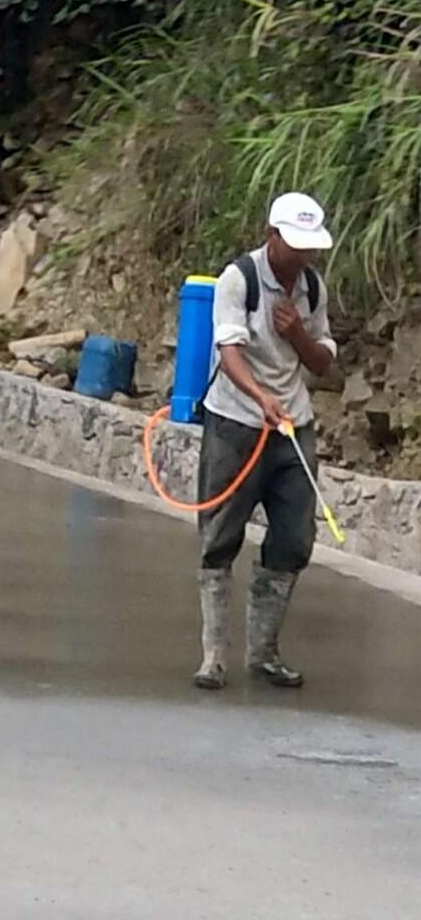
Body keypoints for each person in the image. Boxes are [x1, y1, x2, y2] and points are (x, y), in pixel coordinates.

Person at [195, 192, 337, 691]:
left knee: (295, 538)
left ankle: (264, 653)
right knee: (219, 537)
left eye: (310, 247)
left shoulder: (313, 288)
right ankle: (213, 656)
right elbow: (229, 351)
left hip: (292, 426)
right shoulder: (240, 279)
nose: (303, 256)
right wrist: (259, 399)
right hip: (236, 422)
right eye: (294, 244)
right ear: (272, 235)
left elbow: (321, 361)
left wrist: (297, 332)